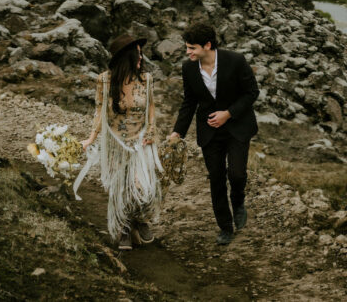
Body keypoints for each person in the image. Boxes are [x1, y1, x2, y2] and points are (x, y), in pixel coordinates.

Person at [168, 22, 259, 246]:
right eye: (187, 48)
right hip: (209, 131)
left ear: (207, 45)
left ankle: (238, 202)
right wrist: (177, 132)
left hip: (237, 126)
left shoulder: (235, 61)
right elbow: (189, 102)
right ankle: (225, 227)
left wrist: (228, 114)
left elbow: (252, 93)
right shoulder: (188, 68)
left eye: (192, 48)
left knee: (237, 174)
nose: (187, 52)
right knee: (216, 178)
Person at [81, 33, 161, 250]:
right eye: (138, 54)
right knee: (121, 186)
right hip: (116, 142)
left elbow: (151, 107)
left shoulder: (146, 79)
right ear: (126, 57)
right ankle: (124, 225)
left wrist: (151, 131)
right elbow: (99, 111)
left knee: (142, 186)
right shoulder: (104, 80)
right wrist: (91, 138)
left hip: (141, 140)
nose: (141, 58)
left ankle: (140, 218)